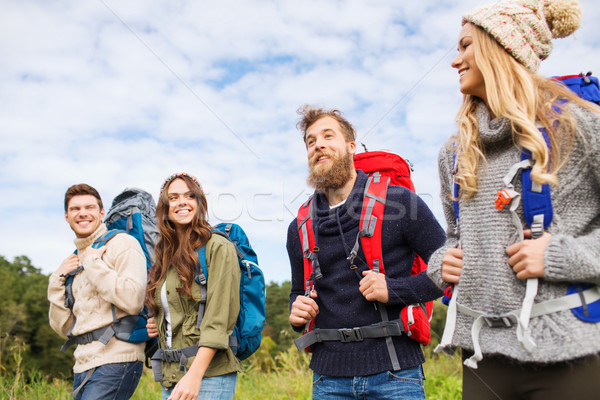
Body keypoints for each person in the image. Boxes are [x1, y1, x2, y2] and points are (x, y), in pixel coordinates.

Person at [427, 0, 600, 398]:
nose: (455, 61)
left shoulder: (577, 125)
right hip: (484, 361)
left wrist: (559, 255)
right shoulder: (455, 152)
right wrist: (443, 262)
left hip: (570, 356)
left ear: (502, 47)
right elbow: (455, 237)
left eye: (466, 45)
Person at [287, 106, 446, 399]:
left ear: (351, 147)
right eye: (311, 141)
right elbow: (298, 290)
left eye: (328, 136)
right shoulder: (299, 227)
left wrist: (395, 289)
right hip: (327, 380)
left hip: (396, 375)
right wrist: (295, 312)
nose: (318, 144)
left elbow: (447, 269)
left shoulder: (400, 203)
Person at [145, 173, 241, 400]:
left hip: (207, 376)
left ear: (199, 204)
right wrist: (159, 321)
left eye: (190, 196)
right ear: (165, 207)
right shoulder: (165, 256)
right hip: (172, 376)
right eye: (174, 197)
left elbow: (218, 319)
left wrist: (194, 376)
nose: (182, 202)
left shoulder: (217, 247)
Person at [48, 184, 147, 399]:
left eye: (89, 207)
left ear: (101, 213)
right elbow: (64, 328)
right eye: (75, 209)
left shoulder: (123, 243)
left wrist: (93, 263)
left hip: (117, 358)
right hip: (82, 363)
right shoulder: (73, 260)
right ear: (67, 216)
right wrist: (56, 281)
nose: (82, 213)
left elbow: (133, 300)